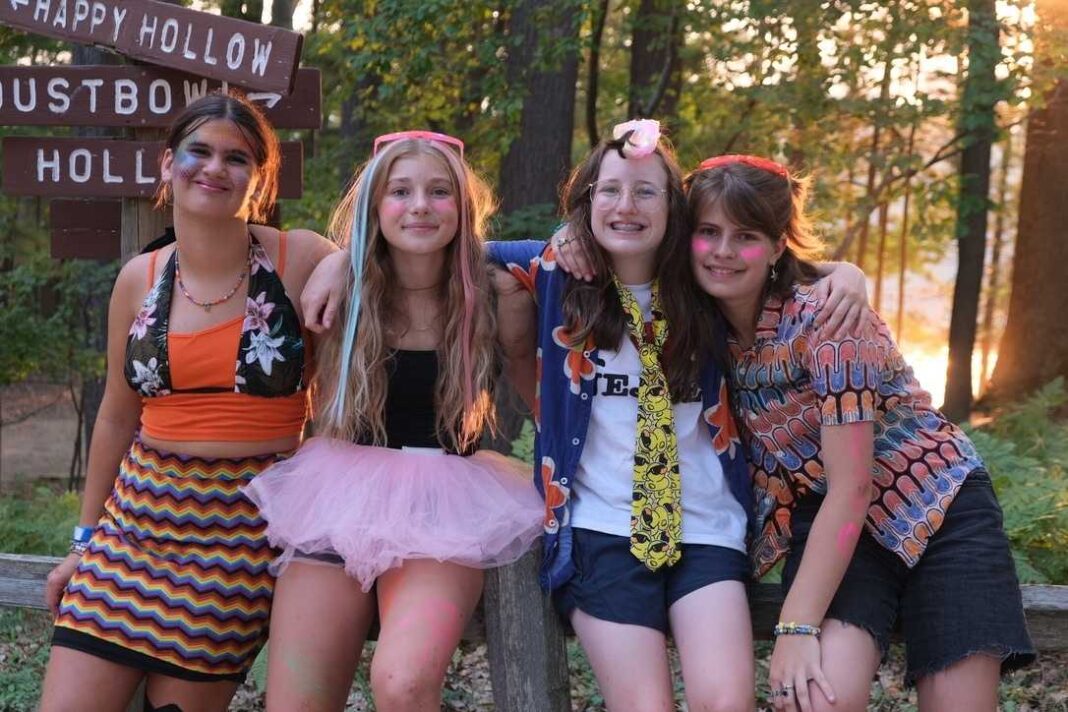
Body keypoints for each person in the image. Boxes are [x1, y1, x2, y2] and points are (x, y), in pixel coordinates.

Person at [683, 154, 1035, 712]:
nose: (723, 250)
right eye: (708, 231)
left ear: (777, 246)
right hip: (837, 532)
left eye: (745, 235)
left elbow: (854, 488)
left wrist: (794, 629)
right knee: (816, 701)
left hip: (938, 505)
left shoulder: (831, 323)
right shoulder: (695, 323)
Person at [39, 92, 337, 712]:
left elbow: (393, 254)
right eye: (198, 151)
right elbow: (118, 415)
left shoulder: (298, 257)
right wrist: (82, 543)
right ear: (168, 162)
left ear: (259, 179)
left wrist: (345, 262)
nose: (214, 168)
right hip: (135, 529)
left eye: (237, 158)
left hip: (241, 534)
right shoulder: (139, 278)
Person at [241, 130, 543, 711]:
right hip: (336, 498)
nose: (421, 206)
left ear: (464, 206)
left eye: (439, 192)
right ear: (375, 206)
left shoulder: (497, 293)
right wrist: (337, 260)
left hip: (444, 508)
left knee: (403, 683)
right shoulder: (340, 288)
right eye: (400, 191)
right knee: (295, 701)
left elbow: (540, 398)